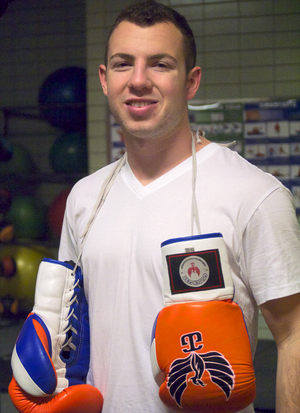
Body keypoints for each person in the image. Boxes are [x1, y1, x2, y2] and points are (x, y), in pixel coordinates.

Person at [58, 1, 300, 412]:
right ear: (104, 79)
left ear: (191, 81)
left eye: (159, 64)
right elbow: (71, 325)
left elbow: (293, 334)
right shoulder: (85, 197)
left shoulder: (253, 193)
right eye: (122, 64)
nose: (138, 81)